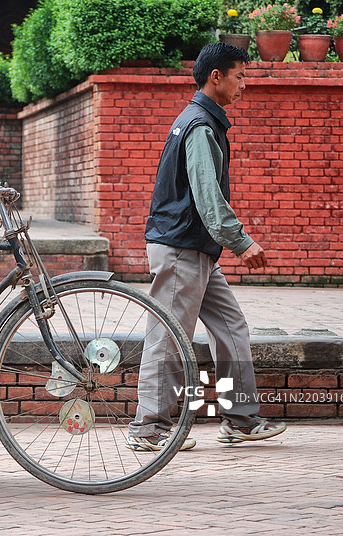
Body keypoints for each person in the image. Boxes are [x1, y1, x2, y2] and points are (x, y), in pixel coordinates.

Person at [126, 42, 286, 451]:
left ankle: (240, 419)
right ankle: (148, 427)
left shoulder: (202, 121)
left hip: (196, 249)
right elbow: (207, 196)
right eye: (240, 76)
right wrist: (241, 242)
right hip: (181, 248)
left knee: (231, 327)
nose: (244, 85)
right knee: (168, 336)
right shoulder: (199, 125)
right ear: (216, 77)